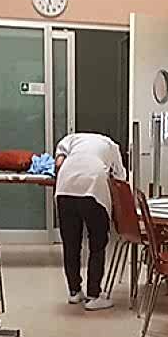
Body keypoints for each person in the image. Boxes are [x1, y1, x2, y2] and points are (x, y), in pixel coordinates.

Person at [54, 132, 126, 311]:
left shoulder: (71, 139)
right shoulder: (111, 145)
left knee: (71, 244)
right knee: (97, 243)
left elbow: (59, 161)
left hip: (64, 189)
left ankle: (74, 292)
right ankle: (94, 295)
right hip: (93, 189)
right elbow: (120, 177)